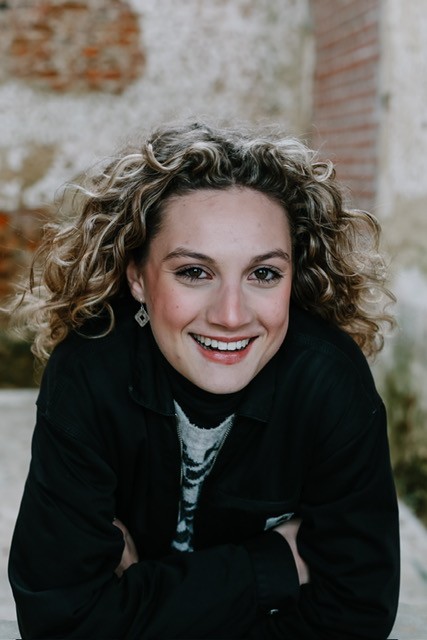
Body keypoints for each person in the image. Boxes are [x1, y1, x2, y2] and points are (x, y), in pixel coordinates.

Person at [8, 120, 399, 639]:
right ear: (137, 277)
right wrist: (276, 561)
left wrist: (137, 596)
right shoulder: (90, 371)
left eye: (263, 273)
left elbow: (357, 616)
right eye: (194, 271)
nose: (231, 316)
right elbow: (59, 620)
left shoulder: (328, 381)